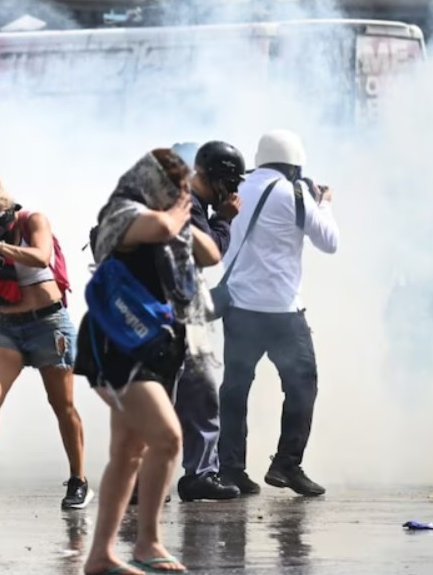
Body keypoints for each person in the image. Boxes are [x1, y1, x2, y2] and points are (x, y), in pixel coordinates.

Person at [75, 149, 220, 575]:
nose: (181, 194)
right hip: (117, 343)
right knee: (168, 438)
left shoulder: (173, 224)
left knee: (127, 451)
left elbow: (210, 253)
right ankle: (148, 542)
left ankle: (100, 556)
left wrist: (185, 216)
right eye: (174, 186)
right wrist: (176, 214)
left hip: (153, 345)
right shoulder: (124, 212)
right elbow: (157, 226)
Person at [0, 178, 90, 510]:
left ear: (3, 210)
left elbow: (40, 257)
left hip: (47, 323)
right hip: (7, 326)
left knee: (62, 404)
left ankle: (79, 479)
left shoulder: (32, 221)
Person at [218, 130, 338, 498]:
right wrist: (324, 203)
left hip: (238, 308)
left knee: (235, 390)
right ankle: (287, 463)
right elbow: (329, 242)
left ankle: (231, 469)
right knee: (302, 386)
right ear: (293, 164)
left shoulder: (235, 190)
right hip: (283, 312)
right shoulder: (296, 194)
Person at [173, 140, 246, 502]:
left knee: (164, 395)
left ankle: (145, 479)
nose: (232, 193)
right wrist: (225, 220)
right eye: (231, 183)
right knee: (200, 394)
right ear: (218, 178)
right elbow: (211, 254)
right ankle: (199, 473)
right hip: (177, 316)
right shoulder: (190, 206)